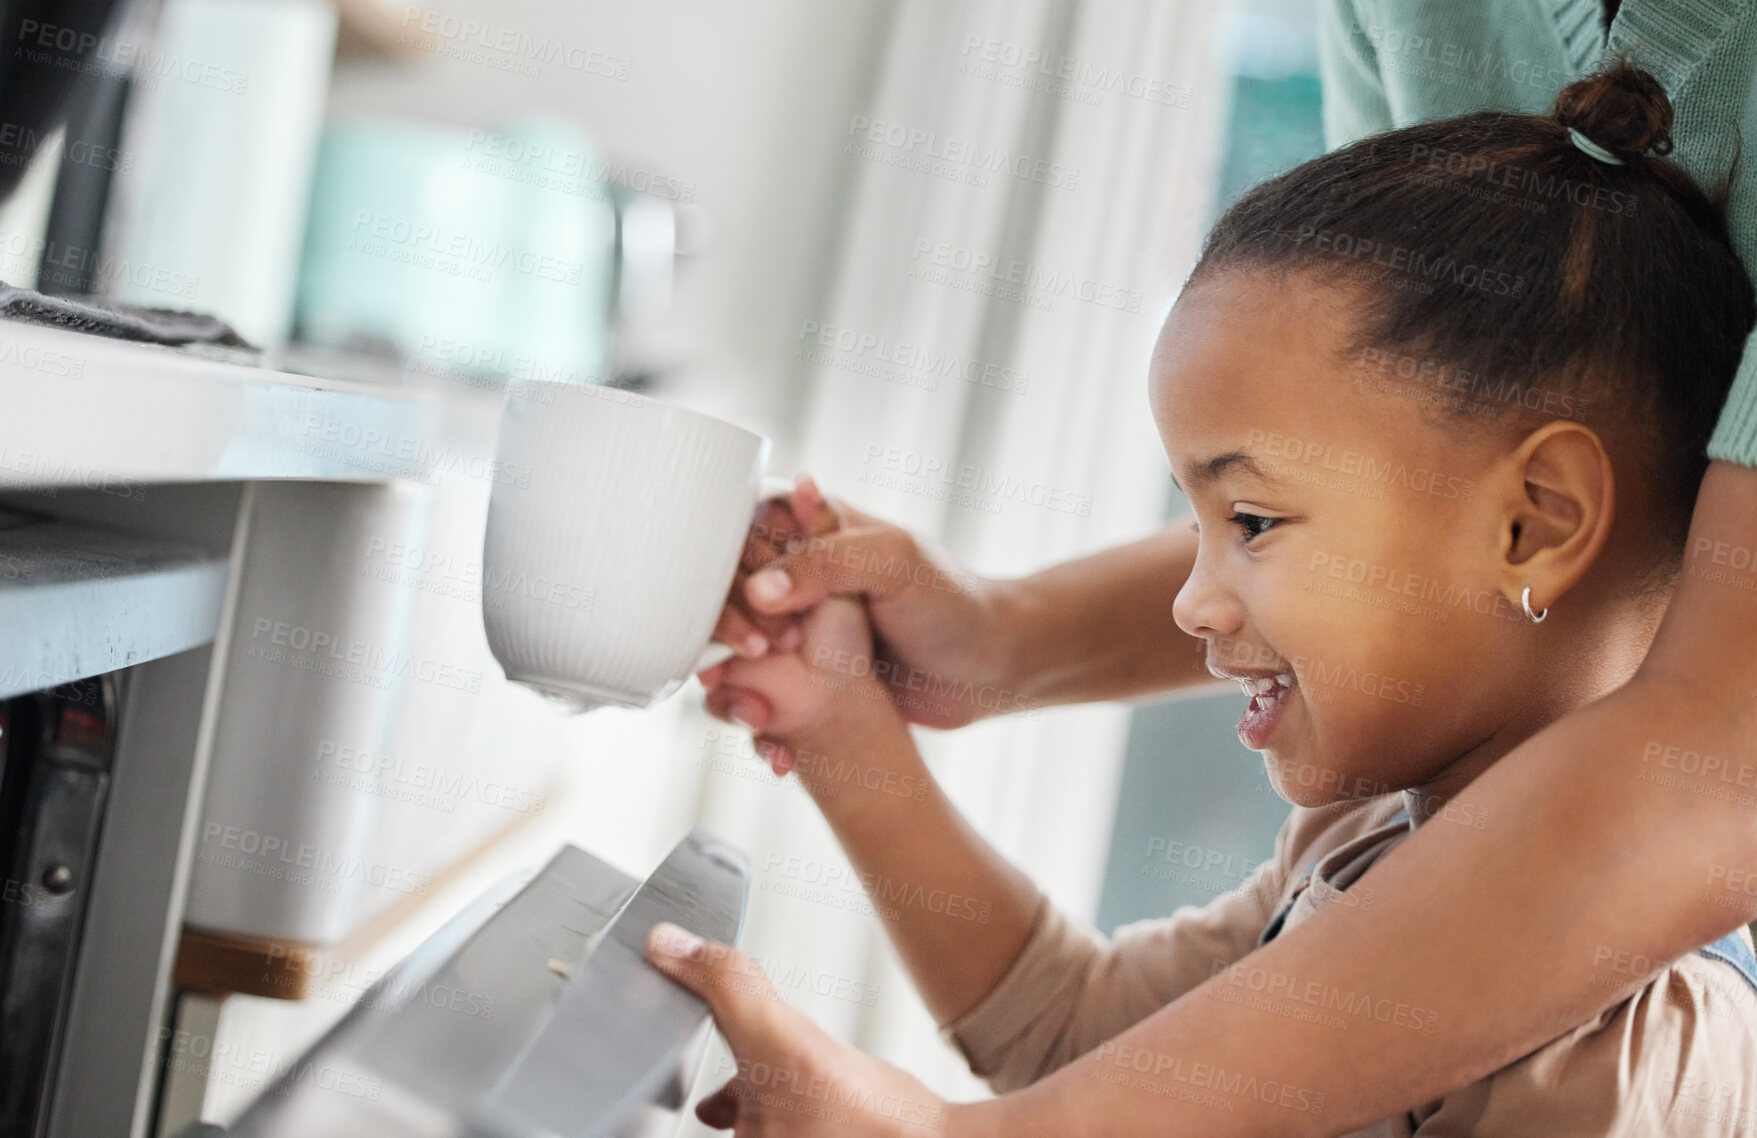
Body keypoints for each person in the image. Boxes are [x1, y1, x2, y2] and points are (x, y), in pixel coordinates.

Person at [653, 8, 1757, 1138]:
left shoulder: (1625, 1051)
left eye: (1253, 519)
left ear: (1531, 525)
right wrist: (846, 729)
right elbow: (1077, 1035)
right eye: (1197, 521)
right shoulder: (1364, 843)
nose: (1188, 601)